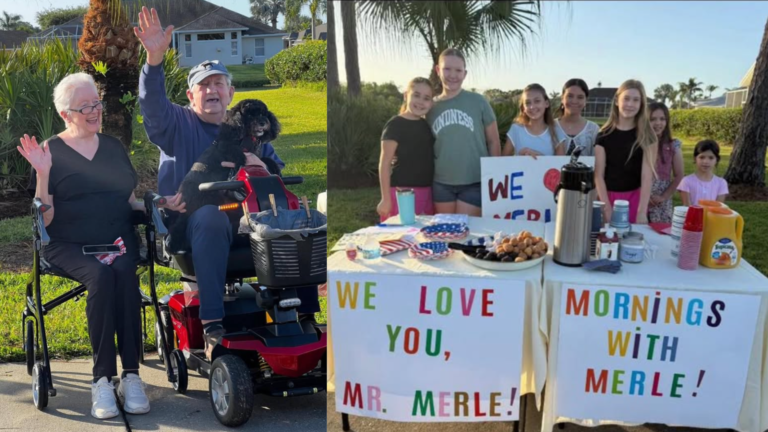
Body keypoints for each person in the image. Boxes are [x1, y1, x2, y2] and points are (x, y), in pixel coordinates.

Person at [133, 7, 318, 361]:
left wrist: (262, 166)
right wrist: (154, 60)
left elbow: (277, 177)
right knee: (211, 217)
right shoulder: (177, 123)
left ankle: (304, 316)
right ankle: (213, 326)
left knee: (294, 219)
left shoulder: (249, 130)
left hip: (249, 221)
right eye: (203, 85)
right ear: (190, 96)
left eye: (218, 83)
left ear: (231, 93)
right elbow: (153, 108)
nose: (211, 90)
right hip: (191, 222)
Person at [18, 73, 150, 419]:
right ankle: (101, 380)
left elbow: (130, 200)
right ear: (66, 114)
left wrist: (159, 205)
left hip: (117, 239)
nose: (95, 111)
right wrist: (43, 173)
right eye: (85, 107)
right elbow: (45, 220)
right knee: (100, 276)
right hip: (68, 244)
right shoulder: (50, 152)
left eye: (97, 103)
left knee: (125, 273)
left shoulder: (113, 147)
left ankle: (131, 376)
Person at [426, 48, 501, 216]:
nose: (453, 75)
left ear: (465, 73)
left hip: (474, 181)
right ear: (438, 70)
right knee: (446, 230)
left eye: (458, 70)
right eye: (447, 69)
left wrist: (494, 175)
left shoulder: (479, 101)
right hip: (441, 182)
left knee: (467, 230)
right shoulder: (430, 107)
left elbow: (493, 141)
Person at [594, 79, 658, 224]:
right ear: (617, 101)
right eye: (626, 98)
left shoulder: (648, 137)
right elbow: (598, 175)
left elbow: (646, 177)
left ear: (641, 104)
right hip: (607, 198)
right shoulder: (603, 135)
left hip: (635, 199)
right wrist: (607, 208)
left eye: (636, 100)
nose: (630, 104)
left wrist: (641, 211)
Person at [376, 77, 435, 221]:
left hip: (426, 192)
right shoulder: (395, 125)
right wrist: (385, 199)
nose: (420, 101)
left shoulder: (426, 125)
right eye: (416, 95)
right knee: (402, 233)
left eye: (426, 98)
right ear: (406, 95)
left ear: (431, 103)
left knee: (424, 233)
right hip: (402, 193)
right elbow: (384, 163)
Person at [502, 83, 566, 157]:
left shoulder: (556, 132)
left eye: (537, 101)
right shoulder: (516, 130)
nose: (532, 106)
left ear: (546, 103)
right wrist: (520, 156)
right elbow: (502, 161)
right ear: (523, 108)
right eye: (528, 103)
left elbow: (561, 163)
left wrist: (540, 158)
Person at [647, 102, 684, 223]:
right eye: (653, 119)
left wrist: (663, 197)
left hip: (662, 200)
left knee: (660, 230)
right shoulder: (640, 144)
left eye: (662, 119)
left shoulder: (673, 145)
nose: (658, 123)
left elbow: (679, 175)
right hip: (641, 197)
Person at [555, 79, 600, 156]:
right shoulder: (550, 126)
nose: (574, 101)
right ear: (562, 98)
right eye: (570, 96)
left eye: (580, 97)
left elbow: (597, 160)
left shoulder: (593, 129)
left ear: (586, 101)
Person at [678, 139, 729, 206]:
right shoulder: (686, 181)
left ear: (717, 160)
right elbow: (687, 206)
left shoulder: (721, 183)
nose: (706, 161)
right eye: (702, 157)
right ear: (695, 158)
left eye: (711, 158)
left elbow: (718, 207)